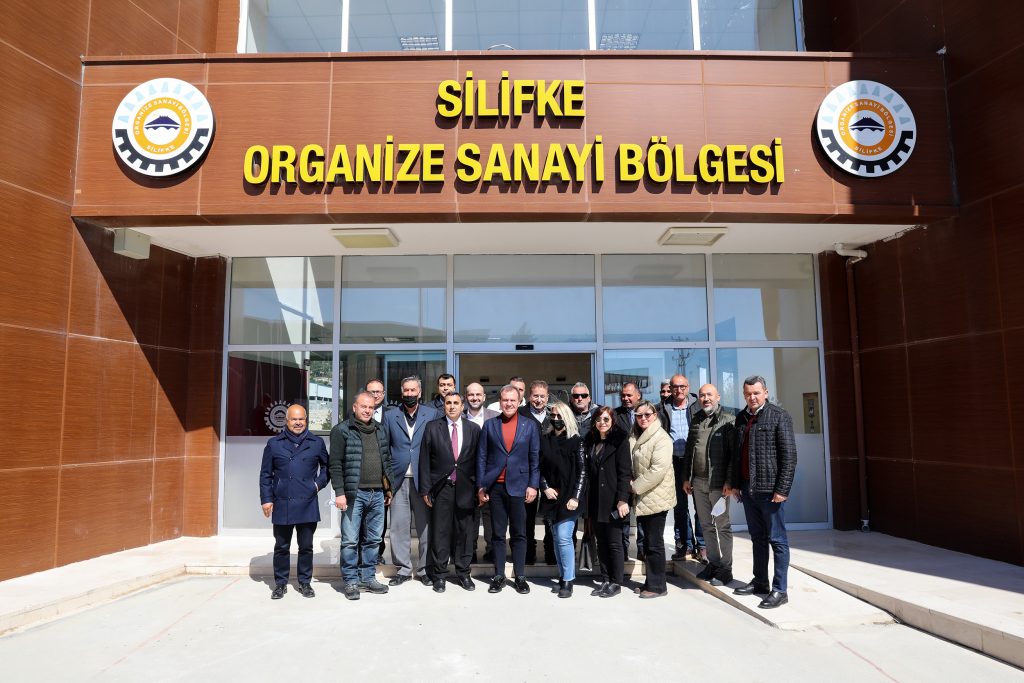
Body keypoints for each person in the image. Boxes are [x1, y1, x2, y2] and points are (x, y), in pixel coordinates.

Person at [732, 375, 797, 610]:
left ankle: (780, 590)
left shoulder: (779, 416)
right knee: (757, 538)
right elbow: (737, 455)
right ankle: (760, 581)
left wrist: (782, 489)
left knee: (777, 540)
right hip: (748, 490)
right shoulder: (741, 418)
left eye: (756, 393)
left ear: (766, 393)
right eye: (748, 393)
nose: (752, 397)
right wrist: (736, 484)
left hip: (770, 492)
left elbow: (789, 457)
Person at [259, 404, 329, 600]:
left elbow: (327, 468)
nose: (298, 423)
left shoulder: (316, 442)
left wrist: (317, 485)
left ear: (306, 420)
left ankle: (305, 582)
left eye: (301, 419)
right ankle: (280, 584)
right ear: (287, 421)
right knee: (282, 546)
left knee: (306, 546)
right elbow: (265, 474)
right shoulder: (274, 443)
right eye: (294, 419)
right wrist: (266, 499)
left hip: (307, 502)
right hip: (283, 502)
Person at [477, 384, 540, 595]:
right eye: (505, 400)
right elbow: (482, 457)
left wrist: (533, 485)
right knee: (497, 534)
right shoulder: (490, 425)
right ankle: (499, 575)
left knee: (519, 533)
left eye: (513, 400)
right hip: (496, 487)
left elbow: (534, 458)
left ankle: (520, 576)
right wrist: (481, 485)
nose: (509, 403)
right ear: (500, 402)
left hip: (520, 486)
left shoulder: (529, 426)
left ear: (519, 401)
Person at [329, 392, 393, 600]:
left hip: (377, 493)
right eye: (363, 406)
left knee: (373, 539)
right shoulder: (342, 430)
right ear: (354, 407)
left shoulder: (380, 429)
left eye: (371, 407)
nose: (367, 410)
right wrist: (340, 493)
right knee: (350, 540)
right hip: (354, 494)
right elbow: (335, 464)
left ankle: (367, 578)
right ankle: (350, 581)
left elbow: (386, 461)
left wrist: (388, 488)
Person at [418, 392, 481, 592]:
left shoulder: (474, 429)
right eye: (448, 403)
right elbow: (424, 460)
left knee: (465, 533)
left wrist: (480, 488)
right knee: (440, 532)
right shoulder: (432, 427)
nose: (452, 406)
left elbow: (479, 460)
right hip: (441, 488)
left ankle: (463, 573)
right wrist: (425, 489)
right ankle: (440, 575)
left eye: (456, 403)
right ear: (443, 406)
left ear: (463, 406)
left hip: (466, 488)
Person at [382, 375, 440, 587]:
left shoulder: (432, 414)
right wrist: (386, 483)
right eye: (406, 390)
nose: (409, 394)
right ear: (401, 392)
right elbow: (384, 449)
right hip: (398, 480)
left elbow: (436, 447)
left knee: (426, 527)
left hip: (423, 480)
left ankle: (424, 569)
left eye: (413, 390)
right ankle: (404, 570)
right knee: (398, 528)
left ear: (420, 392)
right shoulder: (390, 416)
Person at [681, 384, 737, 586]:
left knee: (722, 526)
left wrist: (729, 481)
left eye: (709, 395)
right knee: (706, 525)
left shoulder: (728, 420)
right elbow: (689, 450)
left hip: (718, 484)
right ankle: (714, 563)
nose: (705, 398)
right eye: (702, 395)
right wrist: (686, 477)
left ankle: (726, 569)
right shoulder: (696, 419)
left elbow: (733, 456)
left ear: (718, 397)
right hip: (698, 481)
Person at [539, 402, 587, 598]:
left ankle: (568, 580)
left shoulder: (577, 441)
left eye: (559, 416)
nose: (556, 419)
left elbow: (582, 471)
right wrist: (545, 487)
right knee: (556, 538)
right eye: (553, 415)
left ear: (567, 418)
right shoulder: (545, 440)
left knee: (564, 537)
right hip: (552, 495)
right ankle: (562, 576)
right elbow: (539, 468)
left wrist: (576, 497)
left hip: (570, 497)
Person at [657, 374, 706, 563]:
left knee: (700, 505)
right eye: (675, 387)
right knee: (680, 506)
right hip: (674, 462)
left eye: (682, 386)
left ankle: (702, 546)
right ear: (670, 388)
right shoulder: (662, 408)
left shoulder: (697, 405)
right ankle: (685, 544)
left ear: (688, 387)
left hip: (696, 462)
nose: (679, 390)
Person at [629, 399, 675, 598]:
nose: (643, 418)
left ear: (655, 415)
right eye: (639, 415)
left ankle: (658, 587)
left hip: (655, 496)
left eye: (647, 414)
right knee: (647, 542)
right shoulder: (638, 435)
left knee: (654, 543)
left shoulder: (661, 438)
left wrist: (634, 487)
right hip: (644, 497)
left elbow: (658, 470)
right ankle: (650, 582)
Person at [585, 406, 631, 598]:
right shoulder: (591, 440)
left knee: (614, 543)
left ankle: (616, 582)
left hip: (613, 499)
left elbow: (625, 472)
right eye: (598, 419)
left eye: (606, 419)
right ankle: (605, 579)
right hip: (595, 500)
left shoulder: (620, 439)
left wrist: (622, 500)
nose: (602, 423)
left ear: (612, 421)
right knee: (601, 542)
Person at [464, 382, 499, 562]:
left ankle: (492, 550)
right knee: (470, 515)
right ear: (466, 397)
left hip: (490, 475)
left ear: (484, 397)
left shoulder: (496, 417)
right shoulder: (459, 416)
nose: (475, 398)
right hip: (466, 475)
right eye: (471, 394)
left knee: (490, 515)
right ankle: (470, 551)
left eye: (478, 394)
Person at [521, 379, 552, 564]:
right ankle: (528, 554)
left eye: (542, 396)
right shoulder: (520, 414)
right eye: (535, 396)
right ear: (529, 396)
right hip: (526, 472)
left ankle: (551, 553)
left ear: (547, 397)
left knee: (550, 514)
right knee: (526, 516)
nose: (539, 400)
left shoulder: (555, 414)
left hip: (550, 472)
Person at [613, 382, 642, 558]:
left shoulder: (647, 414)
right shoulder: (615, 415)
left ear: (638, 395)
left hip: (643, 472)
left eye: (629, 395)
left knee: (643, 514)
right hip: (623, 471)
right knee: (622, 512)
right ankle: (622, 551)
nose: (625, 398)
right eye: (623, 395)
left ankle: (643, 550)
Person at [365, 378, 388, 563]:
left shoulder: (393, 414)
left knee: (381, 517)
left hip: (383, 474)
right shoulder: (357, 412)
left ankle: (378, 552)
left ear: (383, 394)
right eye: (371, 391)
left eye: (378, 391)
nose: (375, 395)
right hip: (364, 473)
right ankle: (361, 553)